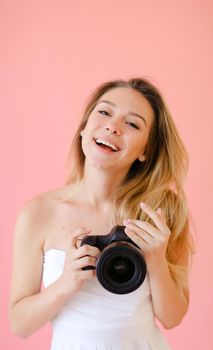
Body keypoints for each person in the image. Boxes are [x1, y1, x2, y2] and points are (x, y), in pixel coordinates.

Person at [9, 77, 196, 349]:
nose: (113, 126)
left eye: (132, 124)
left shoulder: (161, 211)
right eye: (105, 112)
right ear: (84, 128)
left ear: (146, 151)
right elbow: (20, 325)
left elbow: (173, 317)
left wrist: (155, 259)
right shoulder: (38, 213)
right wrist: (67, 282)